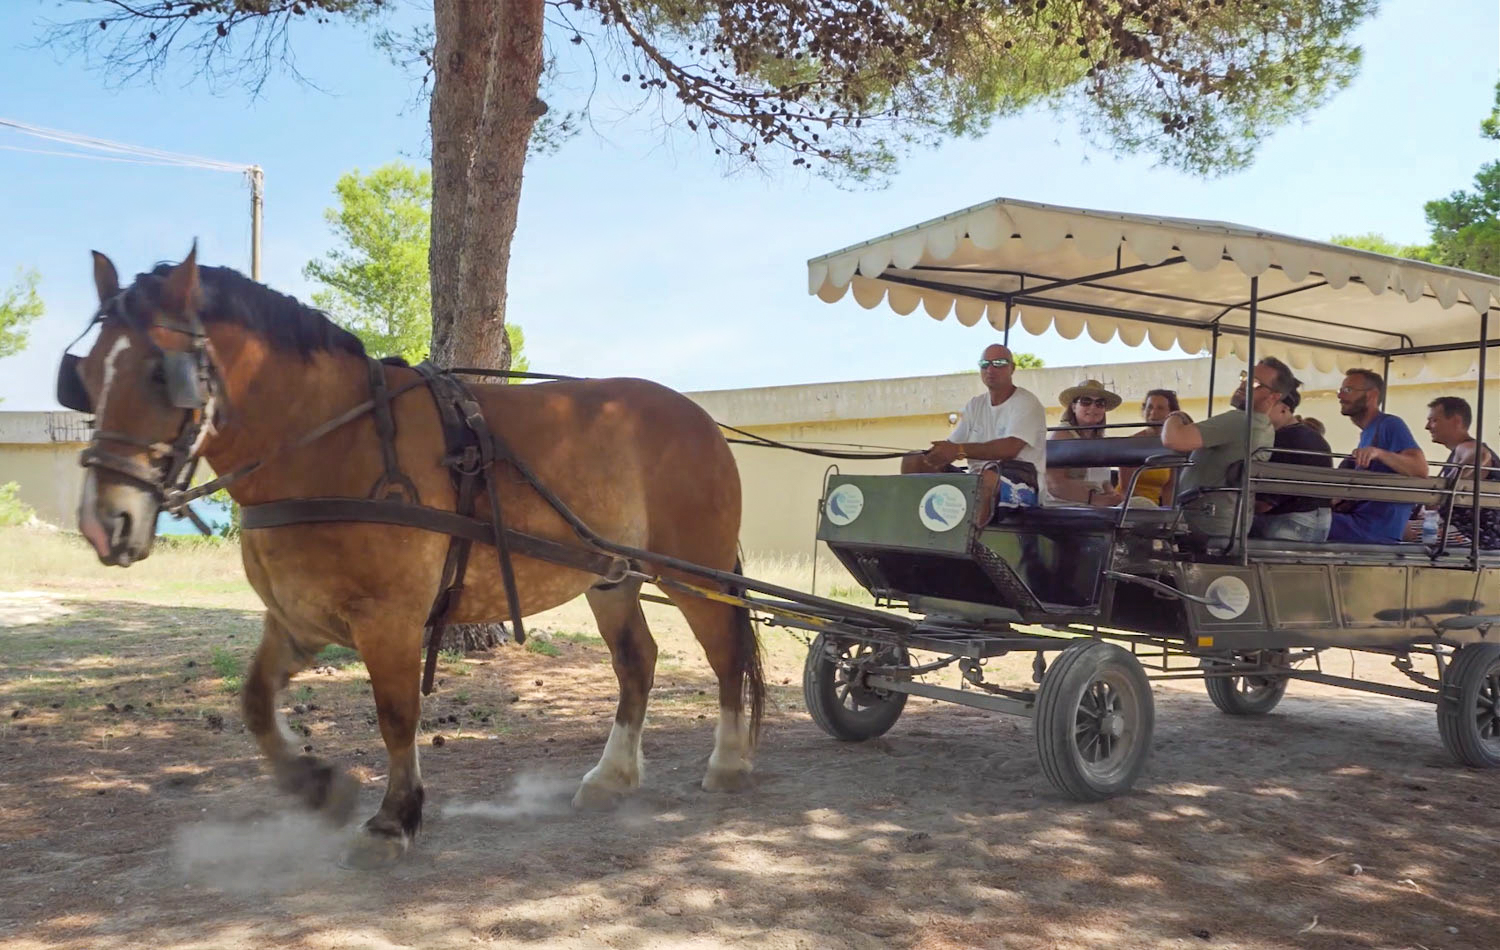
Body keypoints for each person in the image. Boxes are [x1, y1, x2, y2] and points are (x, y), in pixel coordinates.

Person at [904, 343, 1048, 508]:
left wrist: (959, 450)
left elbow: (1009, 449)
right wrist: (937, 454)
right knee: (914, 460)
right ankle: (916, 528)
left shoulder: (1026, 402)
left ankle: (972, 533)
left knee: (986, 479)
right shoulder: (975, 404)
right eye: (984, 364)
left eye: (999, 363)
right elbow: (952, 445)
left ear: (1012, 368)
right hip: (976, 478)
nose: (990, 369)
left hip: (1021, 481)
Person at [1161, 358, 1290, 539]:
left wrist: (1174, 415)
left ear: (1273, 396)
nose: (1244, 384)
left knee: (1132, 509)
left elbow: (1173, 439)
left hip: (1202, 520)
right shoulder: (1265, 427)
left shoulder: (1241, 420)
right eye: (1244, 377)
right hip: (1226, 521)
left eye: (1254, 383)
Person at [1327, 368, 1428, 544]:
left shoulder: (1390, 424)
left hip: (1372, 529)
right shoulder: (1367, 433)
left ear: (1372, 395)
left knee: (1293, 523)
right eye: (1340, 391)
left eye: (1348, 390)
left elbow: (1420, 468)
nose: (1340, 396)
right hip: (1360, 523)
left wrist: (1379, 453)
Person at [1404, 396, 1500, 548]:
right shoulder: (1458, 451)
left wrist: (1444, 491)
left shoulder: (1467, 447)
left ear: (1456, 421)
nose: (1427, 426)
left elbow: (1480, 456)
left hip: (1471, 536)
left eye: (1434, 420)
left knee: (1390, 529)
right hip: (1461, 531)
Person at [1252, 386, 1333, 541]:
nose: (1257, 411)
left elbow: (1265, 503)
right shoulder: (1315, 437)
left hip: (1290, 522)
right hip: (1321, 521)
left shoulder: (1281, 440)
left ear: (1284, 408)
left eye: (1266, 404)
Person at [1047, 379, 1123, 507]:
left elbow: (1103, 482)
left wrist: (1114, 497)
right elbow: (1054, 484)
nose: (1093, 407)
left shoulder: (1099, 441)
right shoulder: (1062, 436)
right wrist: (1096, 500)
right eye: (1086, 402)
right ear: (1073, 407)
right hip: (1066, 507)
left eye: (1100, 403)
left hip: (1095, 506)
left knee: (1142, 505)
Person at [1119, 389, 1181, 506]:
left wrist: (1167, 518)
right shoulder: (1131, 443)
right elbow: (1125, 489)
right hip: (1130, 504)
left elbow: (1169, 489)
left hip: (1154, 508)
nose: (1153, 413)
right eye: (1150, 407)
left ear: (1171, 413)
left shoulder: (1172, 445)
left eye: (1160, 408)